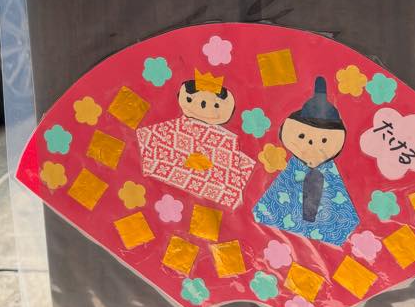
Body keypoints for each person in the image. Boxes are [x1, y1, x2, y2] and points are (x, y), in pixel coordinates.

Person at [253, 77, 359, 244]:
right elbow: (267, 210)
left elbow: (344, 218)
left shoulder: (329, 174)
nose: (311, 143)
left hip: (324, 237)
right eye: (302, 136)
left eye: (324, 140)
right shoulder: (292, 170)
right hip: (277, 231)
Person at [137, 70, 255, 208]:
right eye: (191, 99)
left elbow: (233, 178)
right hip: (166, 193)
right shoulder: (171, 128)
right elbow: (146, 139)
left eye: (216, 105)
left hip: (206, 200)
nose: (204, 106)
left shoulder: (228, 140)